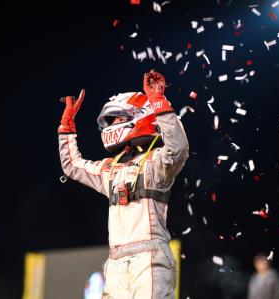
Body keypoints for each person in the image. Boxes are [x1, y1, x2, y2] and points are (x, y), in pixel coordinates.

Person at [58, 70, 189, 298]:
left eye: (120, 118)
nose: (114, 124)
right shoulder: (111, 168)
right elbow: (72, 165)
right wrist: (67, 126)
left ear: (141, 116)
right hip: (116, 263)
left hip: (150, 260)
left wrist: (159, 101)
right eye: (113, 120)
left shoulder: (155, 163)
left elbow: (177, 149)